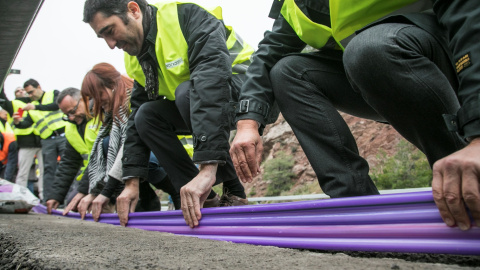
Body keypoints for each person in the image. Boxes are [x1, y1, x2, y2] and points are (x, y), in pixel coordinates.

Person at [230, 1, 471, 228]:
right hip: (375, 73)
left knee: (368, 48)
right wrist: (248, 122)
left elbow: (470, 18)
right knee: (287, 72)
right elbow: (268, 55)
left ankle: (465, 180)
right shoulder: (295, 5)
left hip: (451, 63)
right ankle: (357, 206)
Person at [83, 0, 254, 227]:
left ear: (133, 10)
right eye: (102, 37)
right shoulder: (136, 57)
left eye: (110, 31)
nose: (111, 44)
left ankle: (235, 192)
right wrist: (131, 181)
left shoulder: (185, 17)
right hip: (198, 100)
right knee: (146, 115)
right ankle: (207, 200)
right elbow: (136, 122)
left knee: (187, 92)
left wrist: (208, 168)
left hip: (248, 93)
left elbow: (210, 85)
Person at [63, 63, 182, 222]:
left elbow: (128, 149)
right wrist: (87, 191)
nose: (94, 102)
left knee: (133, 157)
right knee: (107, 144)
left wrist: (105, 192)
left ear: (111, 86)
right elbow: (99, 155)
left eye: (96, 95)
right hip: (145, 158)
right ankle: (144, 204)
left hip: (167, 156)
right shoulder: (113, 111)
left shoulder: (131, 101)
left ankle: (177, 190)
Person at [428, 1, 480, 230]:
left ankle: (464, 183)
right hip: (353, 70)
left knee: (372, 48)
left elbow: (468, 12)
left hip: (441, 38)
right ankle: (350, 211)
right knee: (300, 70)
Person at [45, 87, 101, 214]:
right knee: (72, 203)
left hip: (107, 176)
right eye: (66, 115)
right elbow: (68, 164)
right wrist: (55, 196)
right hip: (89, 179)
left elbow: (102, 158)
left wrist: (84, 191)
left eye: (73, 111)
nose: (70, 118)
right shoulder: (71, 128)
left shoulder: (101, 117)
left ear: (84, 100)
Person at [20, 79, 66, 200]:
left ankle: (67, 199)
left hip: (63, 137)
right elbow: (26, 124)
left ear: (39, 87)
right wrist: (17, 122)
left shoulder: (53, 94)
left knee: (66, 167)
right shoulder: (31, 107)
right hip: (47, 140)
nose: (30, 95)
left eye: (31, 92)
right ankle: (48, 200)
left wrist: (35, 106)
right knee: (48, 170)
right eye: (28, 93)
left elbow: (57, 105)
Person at [0, 88, 44, 200]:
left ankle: (43, 198)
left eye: (23, 90)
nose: (21, 91)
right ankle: (19, 197)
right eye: (17, 90)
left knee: (44, 172)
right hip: (24, 143)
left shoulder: (36, 103)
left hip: (40, 141)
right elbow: (2, 96)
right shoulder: (13, 104)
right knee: (22, 173)